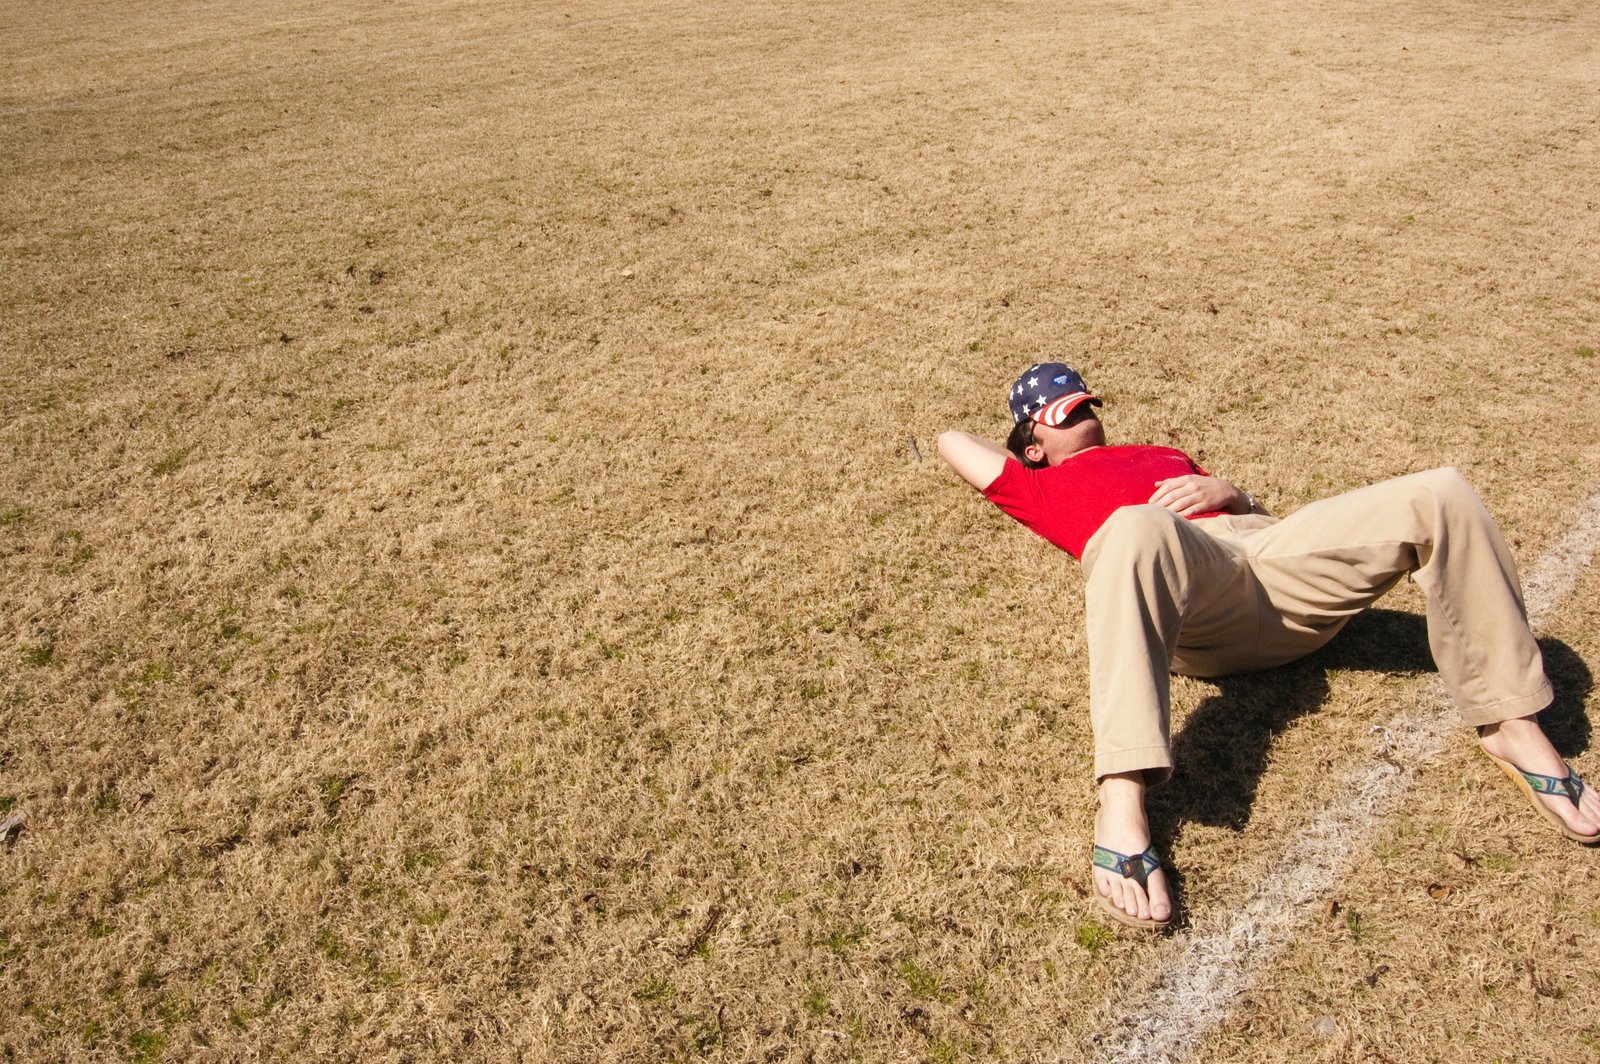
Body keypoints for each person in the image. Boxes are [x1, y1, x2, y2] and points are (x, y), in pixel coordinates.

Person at [937, 362, 1600, 930]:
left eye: (1085, 403)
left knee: (1441, 492)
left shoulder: (1163, 455)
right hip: (1201, 597)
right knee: (1135, 526)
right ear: (1031, 441)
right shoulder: (1038, 486)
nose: (1084, 414)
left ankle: (1512, 719)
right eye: (1064, 412)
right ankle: (1122, 796)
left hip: (1272, 561)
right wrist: (1025, 442)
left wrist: (1234, 491)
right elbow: (952, 439)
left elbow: (1272, 524)